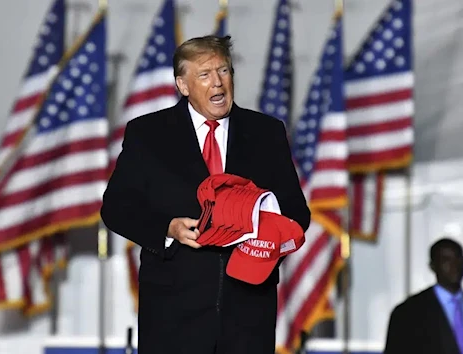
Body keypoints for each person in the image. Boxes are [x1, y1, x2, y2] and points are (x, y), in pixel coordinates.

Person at [100, 35, 310, 354]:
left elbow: (297, 212)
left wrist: (261, 231)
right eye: (204, 75)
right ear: (183, 85)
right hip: (173, 317)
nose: (217, 83)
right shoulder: (148, 134)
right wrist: (168, 229)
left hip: (247, 316)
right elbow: (116, 208)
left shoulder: (266, 133)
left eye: (224, 71)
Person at [383, 238, 463, 354]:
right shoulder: (408, 314)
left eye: (459, 258)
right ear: (432, 266)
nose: (455, 265)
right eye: (446, 260)